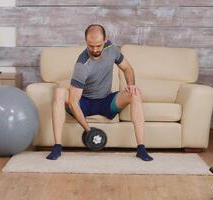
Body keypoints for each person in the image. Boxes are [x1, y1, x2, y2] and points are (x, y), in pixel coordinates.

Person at [46, 24, 153, 162]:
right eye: (91, 46)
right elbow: (73, 102)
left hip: (105, 101)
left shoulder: (111, 49)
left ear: (105, 40)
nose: (95, 50)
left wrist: (131, 85)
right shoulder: (82, 65)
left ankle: (141, 148)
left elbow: (128, 68)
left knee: (136, 93)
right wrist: (89, 131)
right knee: (59, 93)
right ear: (86, 41)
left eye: (98, 45)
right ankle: (57, 146)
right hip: (84, 103)